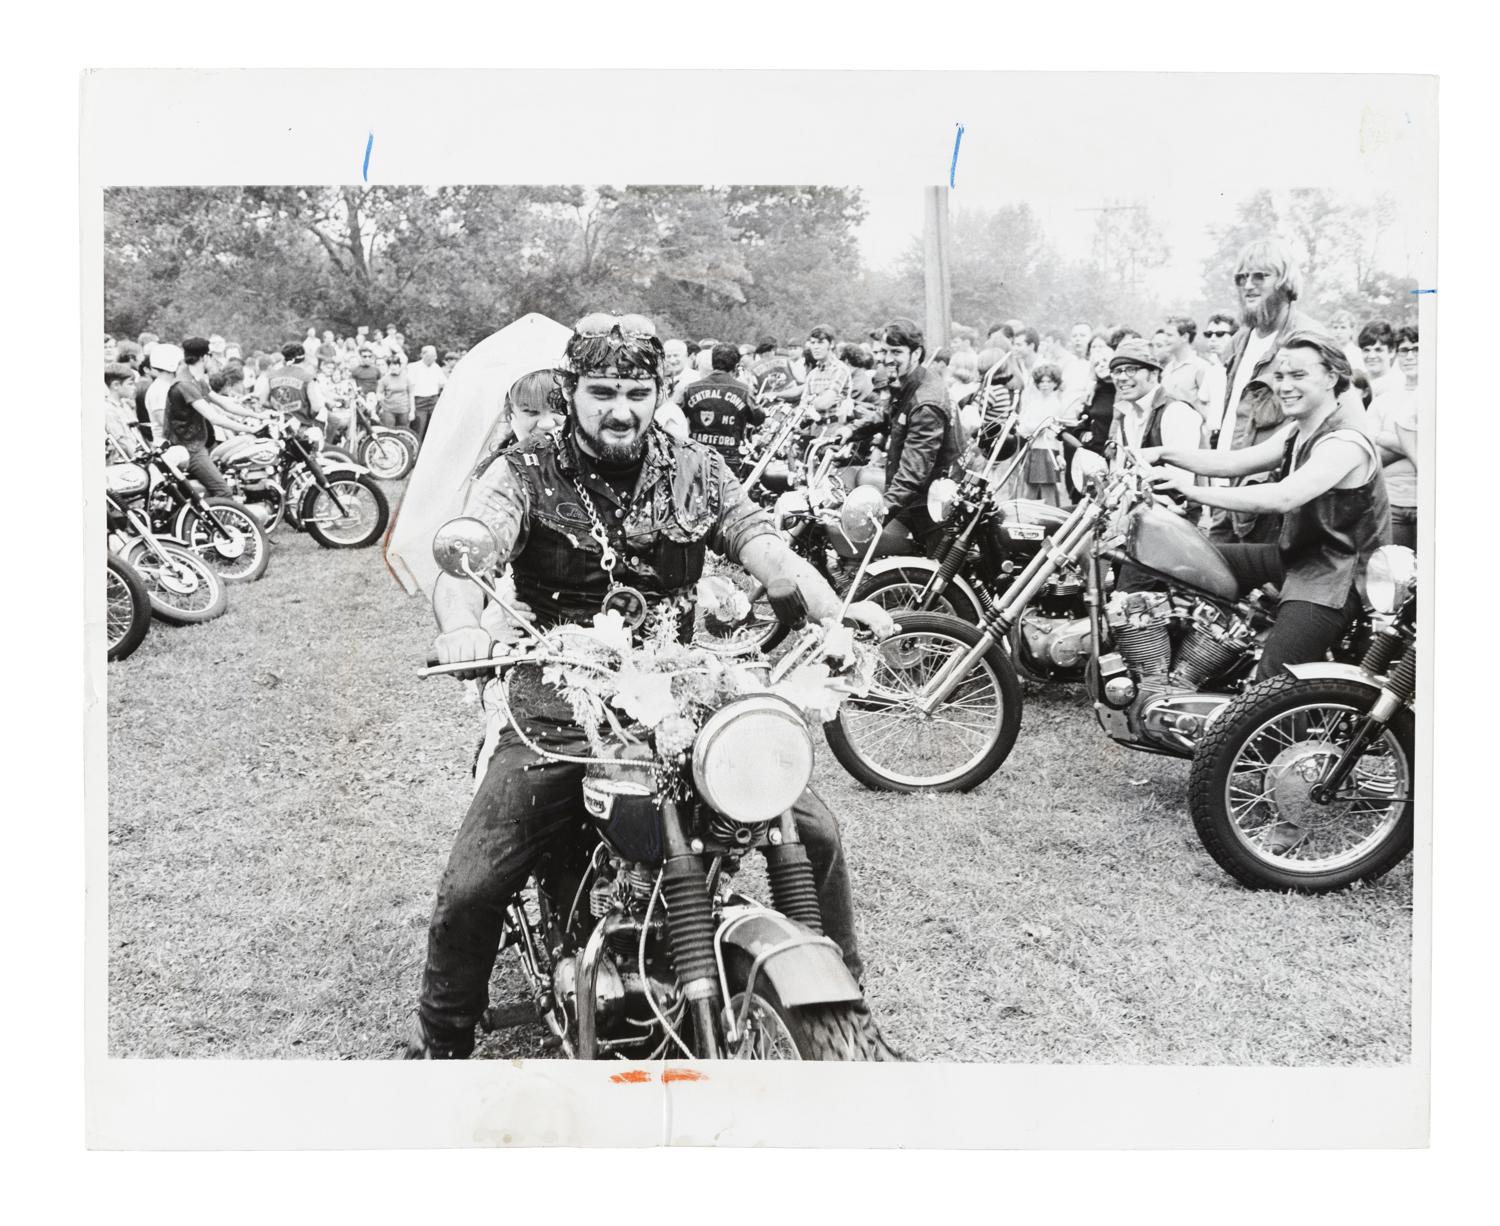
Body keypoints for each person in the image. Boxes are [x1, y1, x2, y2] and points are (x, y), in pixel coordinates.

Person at [407, 312, 895, 1059]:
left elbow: (765, 545)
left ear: (660, 390)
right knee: (476, 882)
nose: (620, 408)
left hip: (683, 682)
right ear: (572, 392)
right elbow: (469, 558)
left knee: (813, 829)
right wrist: (463, 624)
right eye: (602, 390)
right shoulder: (523, 471)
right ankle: (440, 1046)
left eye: (636, 389)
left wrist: (835, 615)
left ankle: (846, 1009)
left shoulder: (699, 469)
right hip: (559, 689)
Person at [1140, 331, 1390, 681]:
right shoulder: (1298, 430)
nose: (1285, 385)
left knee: (1273, 680)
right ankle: (1172, 667)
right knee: (1178, 558)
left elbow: (1283, 496)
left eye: (1298, 376)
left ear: (1332, 378)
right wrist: (1161, 453)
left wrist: (1192, 491)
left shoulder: (1344, 442)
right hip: (1295, 557)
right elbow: (1235, 462)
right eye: (1281, 375)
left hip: (1335, 575)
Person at [1212, 239, 1340, 546]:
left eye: (1260, 276)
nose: (1249, 286)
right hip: (1227, 490)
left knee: (1266, 590)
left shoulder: (1310, 339)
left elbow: (1340, 422)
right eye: (1242, 278)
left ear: (1285, 283)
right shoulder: (1239, 341)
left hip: (1275, 500)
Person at [859, 318, 966, 556]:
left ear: (916, 353)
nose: (887, 359)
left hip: (934, 504)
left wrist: (881, 511)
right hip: (919, 498)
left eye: (896, 352)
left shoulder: (926, 402)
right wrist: (850, 431)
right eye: (884, 351)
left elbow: (912, 473)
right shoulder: (911, 382)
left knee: (936, 581)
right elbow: (889, 415)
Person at [165, 336, 261, 496]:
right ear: (204, 357)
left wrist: (258, 415)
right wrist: (250, 429)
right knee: (224, 492)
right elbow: (214, 417)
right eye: (211, 355)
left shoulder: (197, 380)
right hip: (191, 447)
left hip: (199, 443)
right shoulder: (185, 384)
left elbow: (223, 402)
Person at [1107, 339, 1201, 493]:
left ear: (1154, 373)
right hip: (1133, 505)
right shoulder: (1126, 414)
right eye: (1117, 371)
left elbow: (1181, 482)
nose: (1122, 377)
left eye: (1131, 369)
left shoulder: (1176, 412)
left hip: (1173, 509)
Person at [680, 341, 764, 461]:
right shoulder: (744, 390)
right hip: (729, 456)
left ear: (713, 363)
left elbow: (679, 416)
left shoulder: (691, 388)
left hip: (697, 454)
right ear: (736, 366)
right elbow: (758, 418)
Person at [1156, 317, 1216, 442]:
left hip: (1193, 440)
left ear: (1184, 337)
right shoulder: (1167, 369)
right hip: (1166, 436)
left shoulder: (1201, 368)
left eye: (1169, 335)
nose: (1165, 339)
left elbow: (1211, 410)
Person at [256, 342, 328, 428]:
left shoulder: (272, 375)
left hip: (277, 425)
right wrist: (309, 416)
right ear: (303, 358)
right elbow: (316, 407)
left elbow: (262, 401)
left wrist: (278, 409)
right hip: (301, 427)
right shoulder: (307, 378)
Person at [799, 326, 852, 422]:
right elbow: (802, 406)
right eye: (812, 343)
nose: (815, 347)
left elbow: (825, 403)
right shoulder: (812, 374)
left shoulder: (840, 369)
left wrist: (810, 401)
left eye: (820, 342)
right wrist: (813, 401)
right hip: (813, 428)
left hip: (834, 427)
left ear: (831, 344)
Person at [135, 342, 183, 443]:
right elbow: (165, 423)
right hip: (169, 448)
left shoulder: (167, 386)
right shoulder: (160, 390)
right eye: (180, 363)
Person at [407, 345, 448, 441]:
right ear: (423, 355)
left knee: (434, 429)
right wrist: (412, 409)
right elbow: (410, 389)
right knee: (419, 430)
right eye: (432, 356)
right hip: (420, 402)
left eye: (435, 356)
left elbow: (444, 384)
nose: (435, 358)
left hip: (433, 401)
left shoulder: (436, 367)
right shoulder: (413, 367)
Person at [746, 337, 802, 406]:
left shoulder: (751, 369)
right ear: (774, 349)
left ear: (760, 352)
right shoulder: (787, 361)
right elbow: (801, 382)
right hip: (792, 405)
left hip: (768, 408)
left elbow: (750, 394)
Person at [104, 363, 142, 458]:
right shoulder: (108, 410)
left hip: (137, 454)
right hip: (124, 460)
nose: (134, 388)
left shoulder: (125, 405)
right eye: (130, 384)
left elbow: (136, 434)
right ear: (116, 385)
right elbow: (122, 441)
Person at [1357, 321, 1402, 398]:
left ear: (1391, 352)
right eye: (1366, 350)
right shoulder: (1357, 382)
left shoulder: (1399, 384)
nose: (1371, 356)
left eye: (1378, 350)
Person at [376, 353, 414, 429]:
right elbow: (379, 392)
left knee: (404, 431)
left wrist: (412, 411)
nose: (393, 367)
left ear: (399, 366)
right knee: (389, 431)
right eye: (391, 365)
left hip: (403, 410)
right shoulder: (385, 379)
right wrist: (381, 400)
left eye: (395, 365)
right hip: (389, 410)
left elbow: (411, 395)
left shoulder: (406, 378)